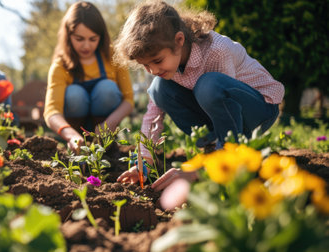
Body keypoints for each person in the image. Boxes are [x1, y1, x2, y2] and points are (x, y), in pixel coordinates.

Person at [114, 1, 284, 192]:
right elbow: (152, 115)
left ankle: (228, 159)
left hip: (259, 108)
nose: (152, 69)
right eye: (145, 65)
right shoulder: (169, 65)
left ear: (179, 40)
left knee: (208, 85)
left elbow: (226, 105)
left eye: (157, 61)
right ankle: (215, 148)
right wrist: (142, 162)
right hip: (223, 112)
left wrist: (202, 170)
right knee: (158, 88)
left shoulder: (217, 50)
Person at [43, 1, 134, 152]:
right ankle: (80, 146)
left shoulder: (113, 57)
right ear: (68, 36)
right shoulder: (60, 66)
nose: (86, 46)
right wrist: (71, 135)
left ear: (101, 36)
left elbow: (128, 100)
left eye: (93, 39)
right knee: (74, 94)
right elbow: (51, 112)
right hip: (76, 134)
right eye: (79, 39)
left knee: (107, 88)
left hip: (105, 129)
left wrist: (109, 124)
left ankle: (106, 144)